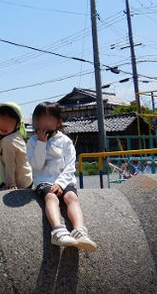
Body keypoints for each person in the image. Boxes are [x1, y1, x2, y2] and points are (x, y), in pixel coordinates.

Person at [27, 102, 97, 251]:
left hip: (64, 180)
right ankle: (57, 231)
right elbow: (37, 166)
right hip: (43, 180)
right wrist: (41, 143)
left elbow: (70, 166)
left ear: (58, 122)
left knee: (72, 197)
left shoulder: (65, 141)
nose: (43, 122)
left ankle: (80, 231)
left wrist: (60, 183)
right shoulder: (32, 142)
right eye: (39, 118)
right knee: (51, 197)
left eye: (48, 118)